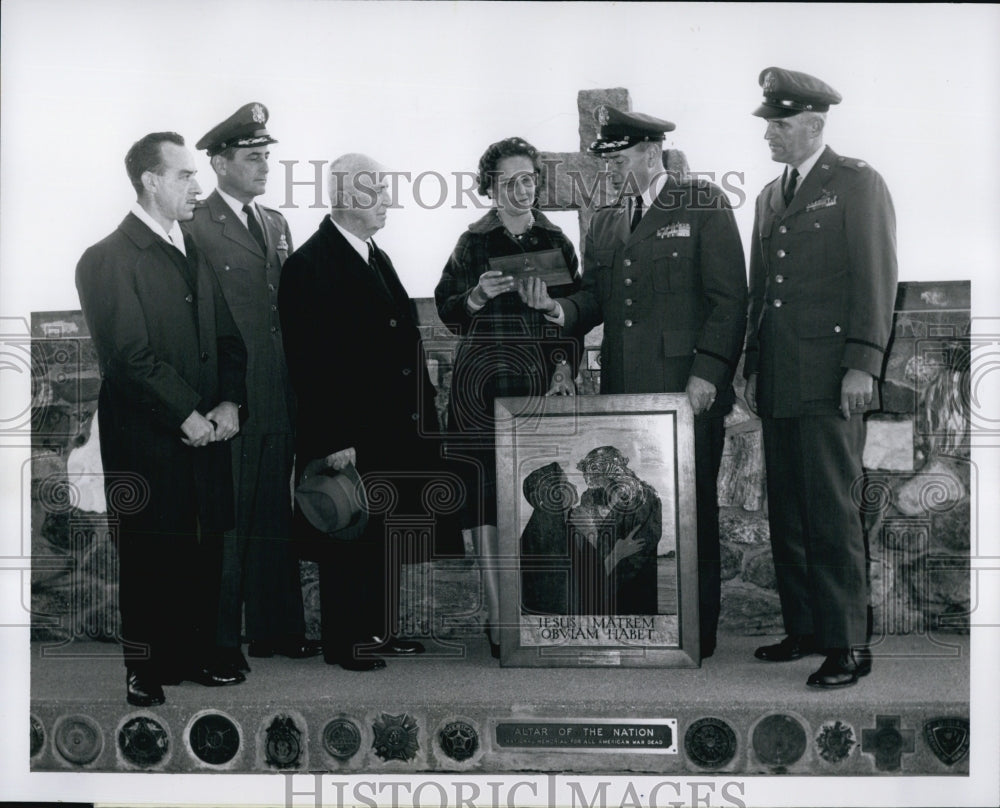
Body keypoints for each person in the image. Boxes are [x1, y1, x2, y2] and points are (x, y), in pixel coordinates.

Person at [528, 107, 747, 657]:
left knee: (691, 511)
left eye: (622, 159)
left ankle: (698, 635)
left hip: (685, 390)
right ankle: (638, 625)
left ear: (652, 152)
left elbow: (728, 299)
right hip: (624, 396)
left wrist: (708, 375)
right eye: (608, 163)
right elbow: (594, 298)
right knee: (631, 512)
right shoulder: (605, 220)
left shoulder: (702, 203)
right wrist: (557, 310)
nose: (615, 172)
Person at [75, 132, 248, 706]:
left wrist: (228, 402)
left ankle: (194, 656)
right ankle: (144, 671)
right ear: (150, 181)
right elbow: (128, 356)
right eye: (183, 175)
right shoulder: (106, 258)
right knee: (150, 551)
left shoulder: (192, 246)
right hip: (148, 436)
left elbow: (228, 338)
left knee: (202, 546)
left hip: (206, 427)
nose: (196, 186)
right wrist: (188, 413)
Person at [743, 67, 897, 688]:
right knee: (789, 510)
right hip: (780, 376)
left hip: (832, 376)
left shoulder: (856, 183)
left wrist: (863, 362)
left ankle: (849, 644)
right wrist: (753, 365)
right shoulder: (768, 195)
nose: (769, 136)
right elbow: (760, 293)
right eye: (769, 126)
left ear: (813, 123)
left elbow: (876, 275)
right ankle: (806, 627)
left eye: (779, 125)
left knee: (832, 510)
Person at [278, 153, 450, 671]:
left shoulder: (374, 255)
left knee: (385, 530)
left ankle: (379, 629)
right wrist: (331, 438)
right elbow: (308, 361)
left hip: (392, 426)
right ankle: (346, 640)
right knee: (349, 532)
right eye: (376, 192)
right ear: (348, 198)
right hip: (350, 430)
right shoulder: (310, 264)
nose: (387, 202)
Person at [183, 103, 318, 673]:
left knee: (272, 514)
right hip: (230, 395)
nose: (265, 166)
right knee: (230, 518)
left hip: (276, 392)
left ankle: (276, 629)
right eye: (252, 157)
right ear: (218, 163)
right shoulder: (195, 226)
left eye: (267, 156)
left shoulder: (276, 224)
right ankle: (218, 640)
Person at [434, 136, 582, 657]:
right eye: (509, 181)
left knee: (541, 496)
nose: (522, 189)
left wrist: (564, 361)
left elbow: (574, 314)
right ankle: (501, 623)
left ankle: (542, 617)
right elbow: (447, 307)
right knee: (487, 501)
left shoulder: (557, 239)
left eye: (529, 179)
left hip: (538, 384)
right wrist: (476, 295)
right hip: (482, 386)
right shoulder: (472, 241)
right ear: (490, 188)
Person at [569, 447, 661, 616]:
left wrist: (593, 535)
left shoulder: (644, 498)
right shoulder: (590, 496)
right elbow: (582, 551)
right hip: (598, 591)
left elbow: (636, 553)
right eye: (586, 469)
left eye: (593, 469)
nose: (586, 475)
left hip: (631, 591)